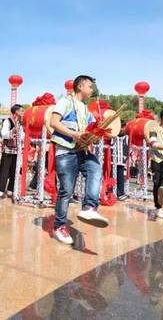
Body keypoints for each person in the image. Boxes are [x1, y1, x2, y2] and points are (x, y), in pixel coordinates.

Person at [50, 75, 108, 245]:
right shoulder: (65, 102)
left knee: (95, 168)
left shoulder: (85, 109)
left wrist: (98, 135)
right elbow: (54, 122)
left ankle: (89, 207)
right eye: (90, 87)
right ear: (80, 86)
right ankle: (59, 226)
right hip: (66, 152)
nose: (92, 90)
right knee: (66, 191)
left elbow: (91, 131)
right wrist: (74, 134)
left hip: (81, 151)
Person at [0, 104, 24, 201]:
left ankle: (11, 190)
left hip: (17, 150)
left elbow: (23, 135)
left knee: (14, 171)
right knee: (4, 171)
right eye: (21, 111)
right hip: (8, 150)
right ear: (16, 111)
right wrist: (13, 131)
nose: (23, 113)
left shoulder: (21, 122)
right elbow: (4, 134)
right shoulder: (8, 121)